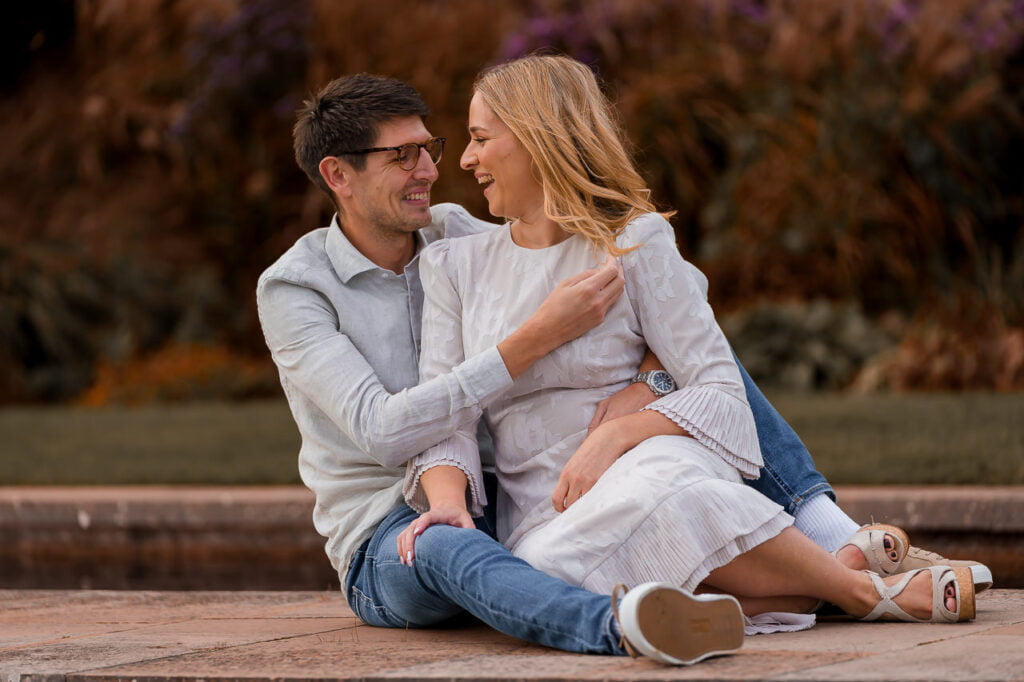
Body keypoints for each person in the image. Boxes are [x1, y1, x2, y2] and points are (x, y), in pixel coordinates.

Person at [257, 69, 988, 667]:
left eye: (449, 145)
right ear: (338, 175)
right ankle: (640, 621)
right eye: (404, 157)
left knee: (683, 405)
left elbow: (609, 280)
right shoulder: (296, 289)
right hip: (397, 526)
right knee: (459, 543)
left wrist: (641, 396)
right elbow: (395, 427)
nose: (442, 168)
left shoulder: (451, 232)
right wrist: (529, 347)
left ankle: (823, 546)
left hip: (540, 482)